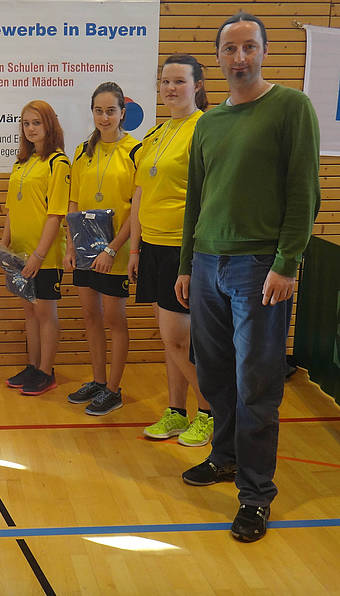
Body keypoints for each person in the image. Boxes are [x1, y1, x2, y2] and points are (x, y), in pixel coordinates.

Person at [174, 12, 320, 542]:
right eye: (230, 49)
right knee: (214, 375)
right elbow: (197, 199)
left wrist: (287, 263)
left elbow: (305, 192)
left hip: (260, 267)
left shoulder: (291, 108)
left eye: (249, 47)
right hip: (209, 265)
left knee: (256, 382)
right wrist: (189, 263)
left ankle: (256, 495)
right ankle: (226, 458)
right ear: (217, 57)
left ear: (263, 52)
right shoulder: (208, 122)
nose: (240, 58)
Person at [128, 55, 213, 445]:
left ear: (197, 85)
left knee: (178, 338)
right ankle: (177, 412)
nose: (170, 88)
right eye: (165, 81)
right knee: (171, 339)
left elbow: (209, 196)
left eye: (179, 81)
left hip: (184, 249)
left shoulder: (205, 129)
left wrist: (194, 255)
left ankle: (213, 413)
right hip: (153, 247)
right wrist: (134, 248)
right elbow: (141, 193)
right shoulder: (158, 133)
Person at [65, 82, 138, 415]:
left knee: (113, 318)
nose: (104, 117)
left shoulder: (136, 150)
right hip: (84, 251)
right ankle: (97, 380)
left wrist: (112, 249)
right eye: (99, 110)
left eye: (111, 111)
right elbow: (75, 202)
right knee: (90, 316)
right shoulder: (83, 152)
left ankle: (114, 388)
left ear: (122, 112)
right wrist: (70, 246)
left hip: (117, 252)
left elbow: (135, 210)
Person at [3, 100, 70, 395]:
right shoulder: (22, 163)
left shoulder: (58, 163)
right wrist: (4, 244)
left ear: (49, 125)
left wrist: (39, 256)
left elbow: (56, 214)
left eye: (36, 123)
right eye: (26, 124)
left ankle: (46, 371)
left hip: (46, 256)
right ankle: (33, 366)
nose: (31, 129)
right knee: (29, 312)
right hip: (19, 254)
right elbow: (10, 209)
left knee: (45, 313)